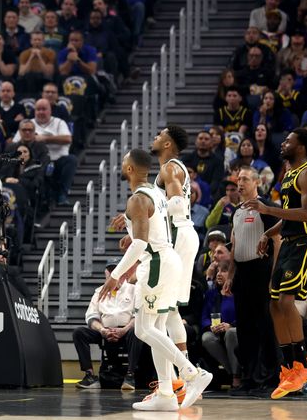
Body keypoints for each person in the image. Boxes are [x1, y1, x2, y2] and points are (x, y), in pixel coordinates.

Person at [99, 149, 212, 412]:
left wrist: (116, 276)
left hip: (157, 263)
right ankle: (165, 392)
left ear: (129, 169)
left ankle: (191, 373)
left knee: (143, 329)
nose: (122, 162)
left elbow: (139, 243)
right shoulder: (155, 194)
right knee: (157, 329)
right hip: (167, 259)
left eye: (124, 160)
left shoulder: (138, 198)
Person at [243, 127, 307, 399]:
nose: (283, 143)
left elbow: (305, 214)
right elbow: (287, 217)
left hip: (306, 242)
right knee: (274, 304)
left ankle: (302, 365)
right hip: (288, 242)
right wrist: (269, 232)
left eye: (288, 140)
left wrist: (266, 209)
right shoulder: (289, 174)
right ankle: (288, 367)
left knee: (287, 302)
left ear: (300, 147)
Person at [151, 126, 201, 366]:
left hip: (178, 234)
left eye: (160, 135)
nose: (155, 138)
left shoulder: (169, 167)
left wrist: (145, 213)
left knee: (161, 310)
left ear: (169, 144)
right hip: (183, 234)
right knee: (170, 311)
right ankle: (185, 376)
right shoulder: (171, 168)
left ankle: (179, 378)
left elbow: (178, 204)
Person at [231, 166, 279, 393]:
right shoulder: (236, 211)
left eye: (245, 179)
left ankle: (270, 377)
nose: (240, 183)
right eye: (238, 179)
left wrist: (273, 277)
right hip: (242, 273)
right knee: (245, 328)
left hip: (261, 271)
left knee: (265, 327)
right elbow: (235, 245)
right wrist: (231, 274)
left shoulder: (266, 207)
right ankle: (249, 377)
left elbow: (277, 241)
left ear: (256, 182)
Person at [74, 259, 139, 391]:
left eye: (116, 271)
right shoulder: (99, 292)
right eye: (109, 272)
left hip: (127, 330)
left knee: (137, 331)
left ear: (124, 274)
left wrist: (125, 329)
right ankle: (90, 375)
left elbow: (138, 315)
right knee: (79, 333)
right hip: (104, 330)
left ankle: (130, 375)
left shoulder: (134, 290)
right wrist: (102, 330)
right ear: (106, 276)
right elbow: (91, 317)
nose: (112, 275)